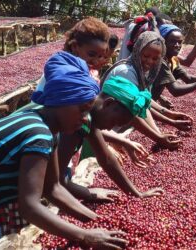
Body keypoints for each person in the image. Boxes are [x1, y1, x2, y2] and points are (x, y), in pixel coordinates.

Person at [0, 51, 127, 249]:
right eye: (82, 110)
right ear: (60, 103)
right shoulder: (38, 134)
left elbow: (52, 188)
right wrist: (85, 236)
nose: (86, 118)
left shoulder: (45, 124)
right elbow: (30, 207)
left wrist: (96, 221)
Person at [58, 73, 164, 203]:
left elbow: (107, 159)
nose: (109, 129)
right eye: (114, 122)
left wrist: (136, 194)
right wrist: (88, 193)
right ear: (108, 103)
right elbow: (53, 178)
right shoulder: (76, 122)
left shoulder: (88, 117)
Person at [150, 24, 196, 101]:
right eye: (172, 41)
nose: (177, 45)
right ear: (163, 41)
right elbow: (175, 90)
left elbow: (189, 79)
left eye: (180, 42)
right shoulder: (159, 61)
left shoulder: (172, 60)